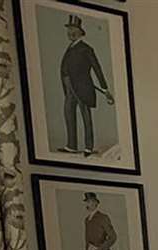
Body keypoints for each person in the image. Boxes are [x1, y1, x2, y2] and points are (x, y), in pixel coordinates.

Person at [59, 13, 113, 157]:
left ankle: (88, 147)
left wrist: (105, 89)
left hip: (83, 88)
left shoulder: (86, 49)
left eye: (73, 29)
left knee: (86, 116)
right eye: (69, 29)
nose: (70, 32)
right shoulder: (70, 48)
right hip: (69, 88)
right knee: (69, 114)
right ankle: (71, 145)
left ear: (80, 32)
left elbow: (97, 69)